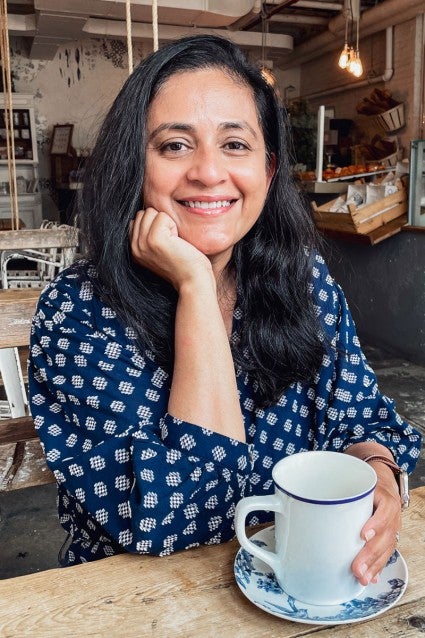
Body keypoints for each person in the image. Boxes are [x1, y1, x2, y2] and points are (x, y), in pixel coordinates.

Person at [29, 34, 421, 586]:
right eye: (173, 146)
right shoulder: (78, 312)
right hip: (134, 602)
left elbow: (360, 418)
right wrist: (194, 284)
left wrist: (381, 475)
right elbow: (183, 518)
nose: (209, 173)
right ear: (133, 165)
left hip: (295, 590)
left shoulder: (301, 279)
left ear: (269, 166)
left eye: (235, 144)